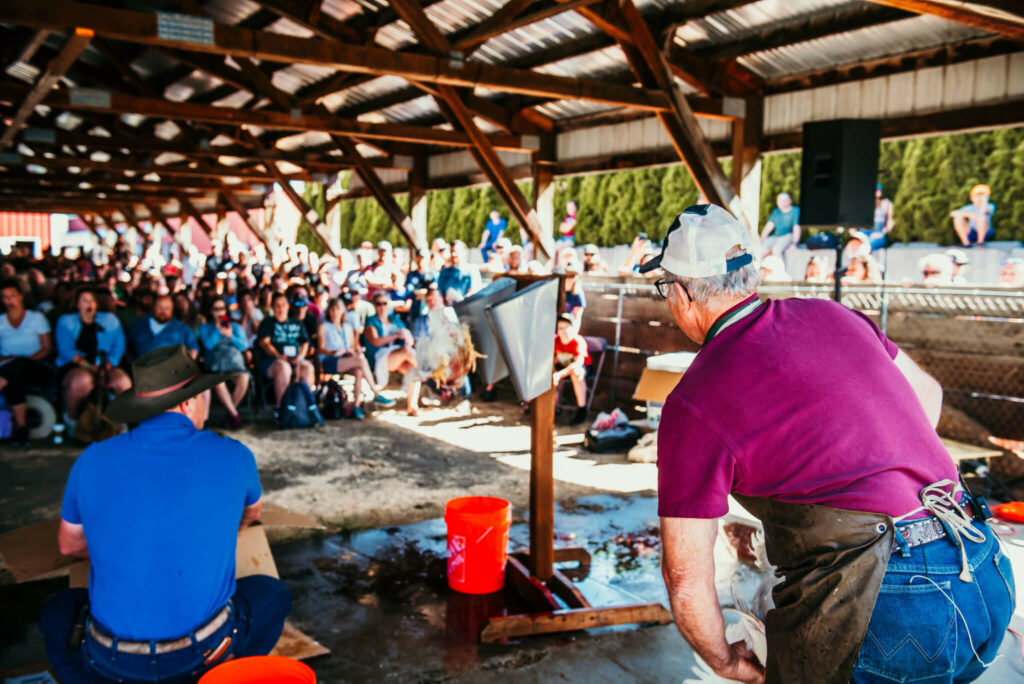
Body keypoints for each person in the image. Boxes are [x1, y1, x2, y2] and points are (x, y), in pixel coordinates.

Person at [641, 203, 1012, 684]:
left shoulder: (694, 401)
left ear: (683, 294)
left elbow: (686, 577)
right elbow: (930, 402)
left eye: (664, 287)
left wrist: (723, 659)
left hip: (885, 608)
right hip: (982, 570)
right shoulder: (835, 315)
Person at [40, 345, 291, 683]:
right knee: (272, 594)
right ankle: (223, 673)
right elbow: (250, 515)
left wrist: (120, 547)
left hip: (111, 663)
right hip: (203, 655)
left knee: (57, 611)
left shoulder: (91, 459)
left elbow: (68, 546)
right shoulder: (234, 455)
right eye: (203, 395)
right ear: (188, 403)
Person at [55, 287, 132, 424]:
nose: (89, 304)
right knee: (82, 381)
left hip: (105, 364)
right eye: (84, 301)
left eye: (92, 301)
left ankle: (119, 424)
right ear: (78, 304)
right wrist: (89, 367)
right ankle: (72, 421)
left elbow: (119, 346)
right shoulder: (66, 321)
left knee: (122, 382)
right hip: (75, 365)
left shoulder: (110, 320)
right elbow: (66, 350)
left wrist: (108, 365)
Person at [318, 297, 394, 418]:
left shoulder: (347, 327)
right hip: (330, 359)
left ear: (342, 311)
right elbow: (320, 348)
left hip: (346, 358)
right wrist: (334, 352)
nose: (334, 312)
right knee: (360, 361)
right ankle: (375, 393)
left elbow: (352, 346)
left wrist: (354, 350)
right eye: (332, 309)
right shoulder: (324, 326)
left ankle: (356, 406)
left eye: (337, 309)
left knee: (358, 371)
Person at [405, 285, 472, 416]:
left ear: (441, 299)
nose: (430, 301)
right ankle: (436, 395)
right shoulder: (421, 319)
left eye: (433, 298)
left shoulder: (449, 313)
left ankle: (462, 399)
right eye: (428, 299)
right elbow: (416, 341)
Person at [0, 278, 54, 444]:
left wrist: (24, 360)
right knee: (15, 374)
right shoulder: (0, 320)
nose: (9, 300)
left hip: (36, 366)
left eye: (12, 296)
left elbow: (46, 348)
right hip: (8, 368)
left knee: (19, 364)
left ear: (20, 296)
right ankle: (22, 429)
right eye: (5, 297)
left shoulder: (36, 318)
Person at [255, 292, 316, 415]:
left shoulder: (297, 323)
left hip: (295, 359)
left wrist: (300, 357)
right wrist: (280, 356)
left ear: (288, 306)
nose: (280, 308)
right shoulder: (267, 322)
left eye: (283, 305)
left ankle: (304, 407)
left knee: (308, 368)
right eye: (277, 305)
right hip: (272, 361)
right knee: (283, 367)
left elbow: (305, 343)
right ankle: (281, 410)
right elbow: (265, 344)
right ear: (273, 307)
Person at [198, 297, 250, 429]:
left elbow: (244, 346)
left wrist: (231, 336)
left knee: (244, 378)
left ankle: (230, 415)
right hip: (216, 368)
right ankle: (234, 415)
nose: (220, 312)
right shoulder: (205, 328)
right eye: (216, 309)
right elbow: (208, 345)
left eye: (222, 309)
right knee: (218, 382)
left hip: (235, 367)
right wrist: (217, 330)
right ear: (211, 311)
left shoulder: (236, 327)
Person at [362, 292, 417, 389]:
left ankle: (412, 403)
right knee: (406, 351)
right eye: (379, 304)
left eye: (385, 303)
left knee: (412, 370)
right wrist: (395, 335)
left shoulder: (395, 319)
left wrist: (406, 336)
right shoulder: (371, 321)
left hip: (395, 354)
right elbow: (375, 341)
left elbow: (410, 340)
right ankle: (429, 371)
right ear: (374, 305)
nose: (382, 307)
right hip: (379, 357)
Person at [128, 294, 199, 358]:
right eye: (159, 307)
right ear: (153, 307)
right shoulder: (138, 326)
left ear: (172, 309)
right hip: (142, 369)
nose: (163, 311)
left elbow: (193, 349)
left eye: (167, 308)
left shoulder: (182, 328)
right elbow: (128, 349)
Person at [553, 313, 589, 425]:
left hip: (580, 368)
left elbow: (578, 363)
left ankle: (582, 409)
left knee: (576, 374)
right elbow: (553, 360)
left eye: (566, 327)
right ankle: (552, 406)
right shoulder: (556, 340)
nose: (563, 331)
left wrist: (559, 375)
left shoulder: (578, 341)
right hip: (563, 367)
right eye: (560, 328)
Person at [868, 183, 894, 250]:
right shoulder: (863, 204)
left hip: (878, 233)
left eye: (879, 190)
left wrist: (882, 233)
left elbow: (891, 222)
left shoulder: (886, 204)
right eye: (876, 190)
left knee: (869, 246)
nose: (879, 191)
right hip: (864, 233)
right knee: (852, 247)